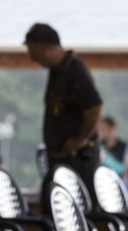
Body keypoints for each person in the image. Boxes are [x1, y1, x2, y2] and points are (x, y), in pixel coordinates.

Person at [24, 22, 103, 189]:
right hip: (60, 157)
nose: (31, 58)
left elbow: (94, 108)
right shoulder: (57, 71)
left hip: (77, 159)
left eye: (32, 51)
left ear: (44, 49)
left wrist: (80, 139)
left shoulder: (74, 70)